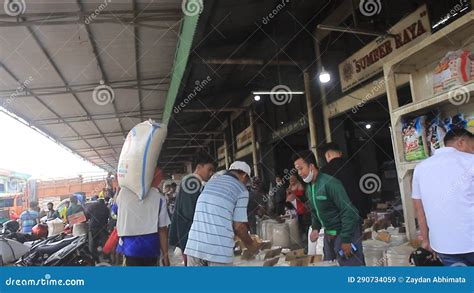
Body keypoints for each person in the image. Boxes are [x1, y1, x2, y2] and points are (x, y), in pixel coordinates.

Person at [412, 129, 474, 266]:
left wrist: (426, 241)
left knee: (461, 285)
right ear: (461, 142)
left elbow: (419, 210)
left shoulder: (420, 168)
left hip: (443, 246)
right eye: (473, 146)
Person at [292, 150, 364, 266]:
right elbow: (315, 211)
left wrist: (346, 239)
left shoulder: (330, 183)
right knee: (329, 266)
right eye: (297, 170)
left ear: (311, 166)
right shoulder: (310, 188)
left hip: (345, 232)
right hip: (329, 234)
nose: (299, 173)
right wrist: (316, 227)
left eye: (301, 168)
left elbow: (349, 211)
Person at [185, 161, 260, 266]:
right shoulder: (241, 190)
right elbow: (239, 227)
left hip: (194, 248)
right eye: (247, 181)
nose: (245, 184)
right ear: (243, 175)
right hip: (218, 252)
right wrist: (252, 246)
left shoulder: (211, 183)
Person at [116, 167, 171, 266]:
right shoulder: (159, 198)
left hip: (130, 248)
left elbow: (115, 212)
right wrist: (165, 255)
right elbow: (163, 229)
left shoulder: (123, 194)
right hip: (151, 248)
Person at [169, 151, 215, 265]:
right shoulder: (192, 182)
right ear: (199, 167)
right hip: (191, 238)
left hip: (190, 239)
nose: (211, 173)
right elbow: (191, 213)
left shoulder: (193, 182)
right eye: (209, 169)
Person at [319, 143, 371, 219]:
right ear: (340, 153)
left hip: (340, 214)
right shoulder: (354, 165)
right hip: (360, 210)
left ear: (328, 155)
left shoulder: (324, 171)